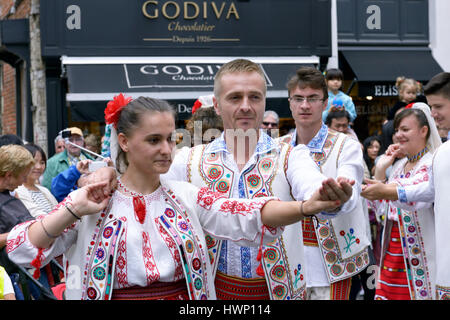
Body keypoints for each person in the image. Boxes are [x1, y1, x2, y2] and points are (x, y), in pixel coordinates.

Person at [6, 96, 341, 301]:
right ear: (124, 141)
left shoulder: (185, 196)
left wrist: (305, 207)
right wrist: (76, 208)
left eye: (169, 138)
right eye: (153, 140)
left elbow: (244, 212)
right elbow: (24, 249)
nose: (166, 149)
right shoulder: (94, 199)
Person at [281, 66, 371, 300]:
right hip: (288, 261)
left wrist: (340, 198)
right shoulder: (277, 148)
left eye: (312, 98)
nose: (305, 105)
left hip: (334, 262)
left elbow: (350, 189)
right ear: (290, 102)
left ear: (325, 102)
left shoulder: (346, 145)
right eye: (298, 98)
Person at [362, 72, 450, 299]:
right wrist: (381, 169)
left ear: (424, 131)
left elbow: (421, 194)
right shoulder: (399, 166)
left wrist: (386, 190)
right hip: (393, 250)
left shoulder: (433, 160)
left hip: (420, 253)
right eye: (397, 129)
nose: (399, 135)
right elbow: (381, 212)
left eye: (406, 129)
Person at [0, 145, 35, 249]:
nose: (24, 181)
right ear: (9, 175)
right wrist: (23, 234)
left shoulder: (11, 193)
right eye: (24, 177)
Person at [42, 127, 95, 192]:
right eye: (70, 140)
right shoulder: (51, 163)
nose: (74, 143)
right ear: (64, 143)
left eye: (78, 139)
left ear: (83, 142)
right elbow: (47, 189)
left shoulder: (92, 160)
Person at [15, 143, 58, 218]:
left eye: (42, 163)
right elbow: (37, 215)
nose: (38, 167)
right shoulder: (18, 191)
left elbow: (58, 210)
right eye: (34, 162)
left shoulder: (44, 190)